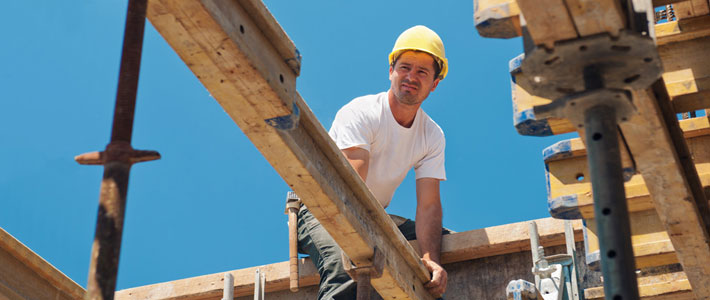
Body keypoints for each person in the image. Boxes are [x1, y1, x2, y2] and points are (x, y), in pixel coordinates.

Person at [298, 25, 451, 299]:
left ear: (434, 83)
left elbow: (428, 205)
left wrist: (432, 260)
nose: (411, 77)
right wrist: (371, 240)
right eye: (405, 67)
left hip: (375, 217)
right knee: (348, 261)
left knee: (445, 242)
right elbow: (350, 188)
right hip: (323, 208)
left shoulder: (432, 135)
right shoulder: (363, 112)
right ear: (391, 71)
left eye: (422, 72)